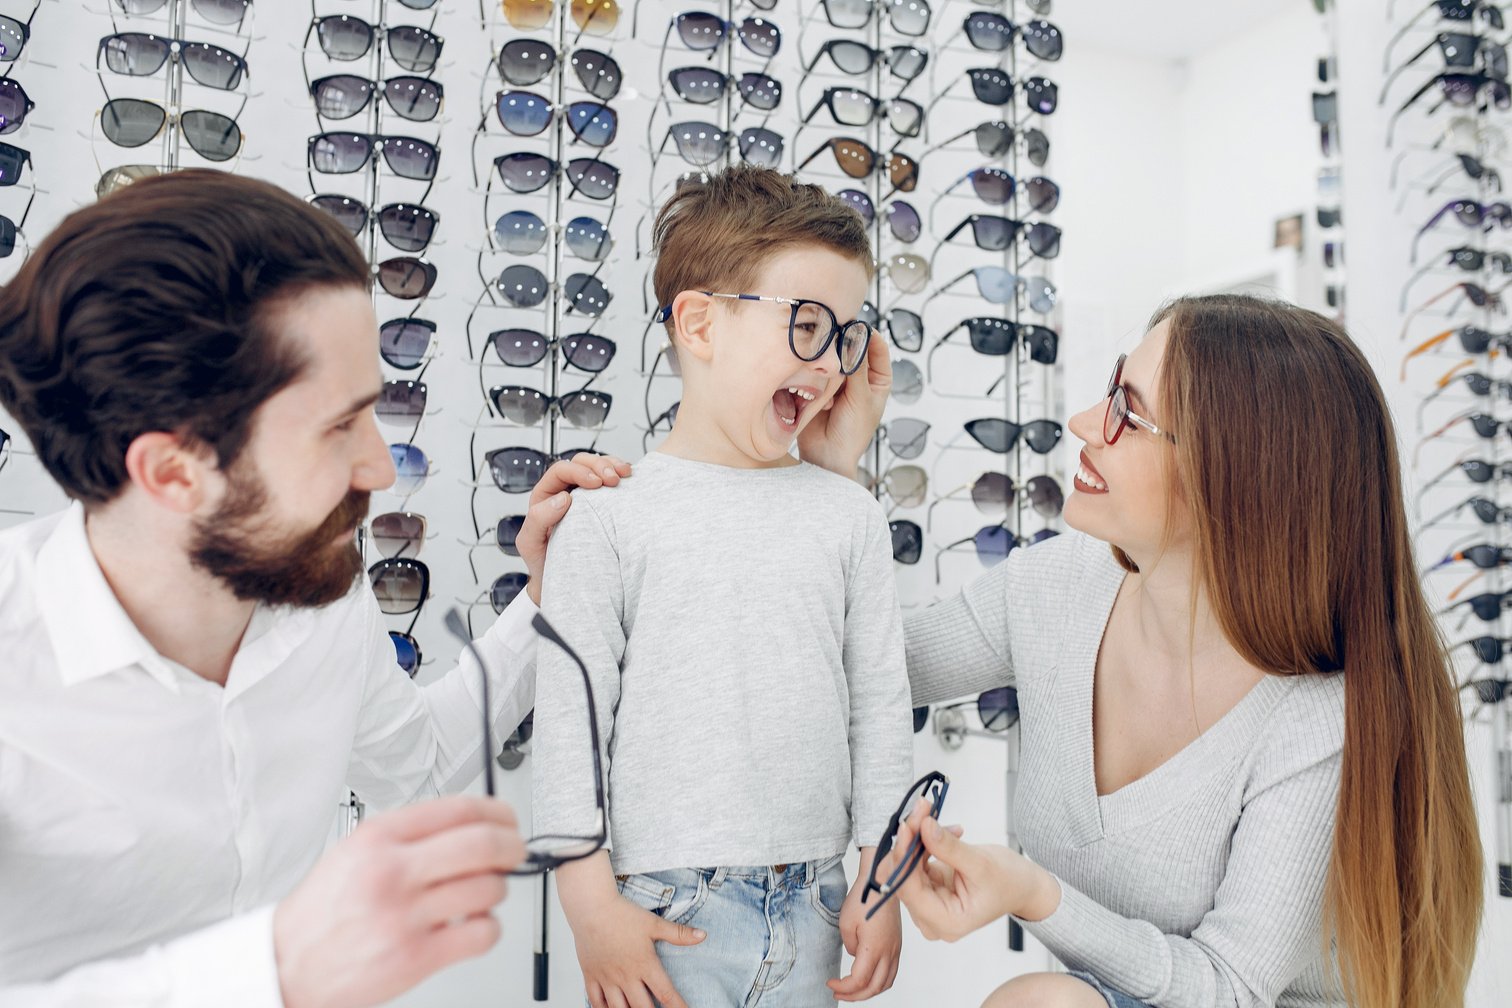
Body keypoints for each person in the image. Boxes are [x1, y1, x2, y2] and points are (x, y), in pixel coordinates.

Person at [0, 169, 630, 1007]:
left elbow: (420, 771)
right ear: (173, 472)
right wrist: (276, 969)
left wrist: (542, 602)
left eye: (375, 412)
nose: (379, 469)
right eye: (339, 427)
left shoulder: (323, 596)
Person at [828, 295, 1484, 1008]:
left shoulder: (1315, 718)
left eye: (1128, 415)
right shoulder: (1058, 588)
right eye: (1111, 391)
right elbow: (856, 666)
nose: (1085, 425)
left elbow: (1230, 988)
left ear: (1234, 480)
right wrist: (828, 481)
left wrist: (1034, 894)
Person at [530, 164, 913, 1008]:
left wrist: (881, 882)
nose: (828, 364)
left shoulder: (849, 517)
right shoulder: (607, 515)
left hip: (818, 899)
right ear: (699, 324)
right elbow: (571, 730)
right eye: (807, 325)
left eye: (847, 334)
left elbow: (880, 709)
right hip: (662, 911)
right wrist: (589, 906)